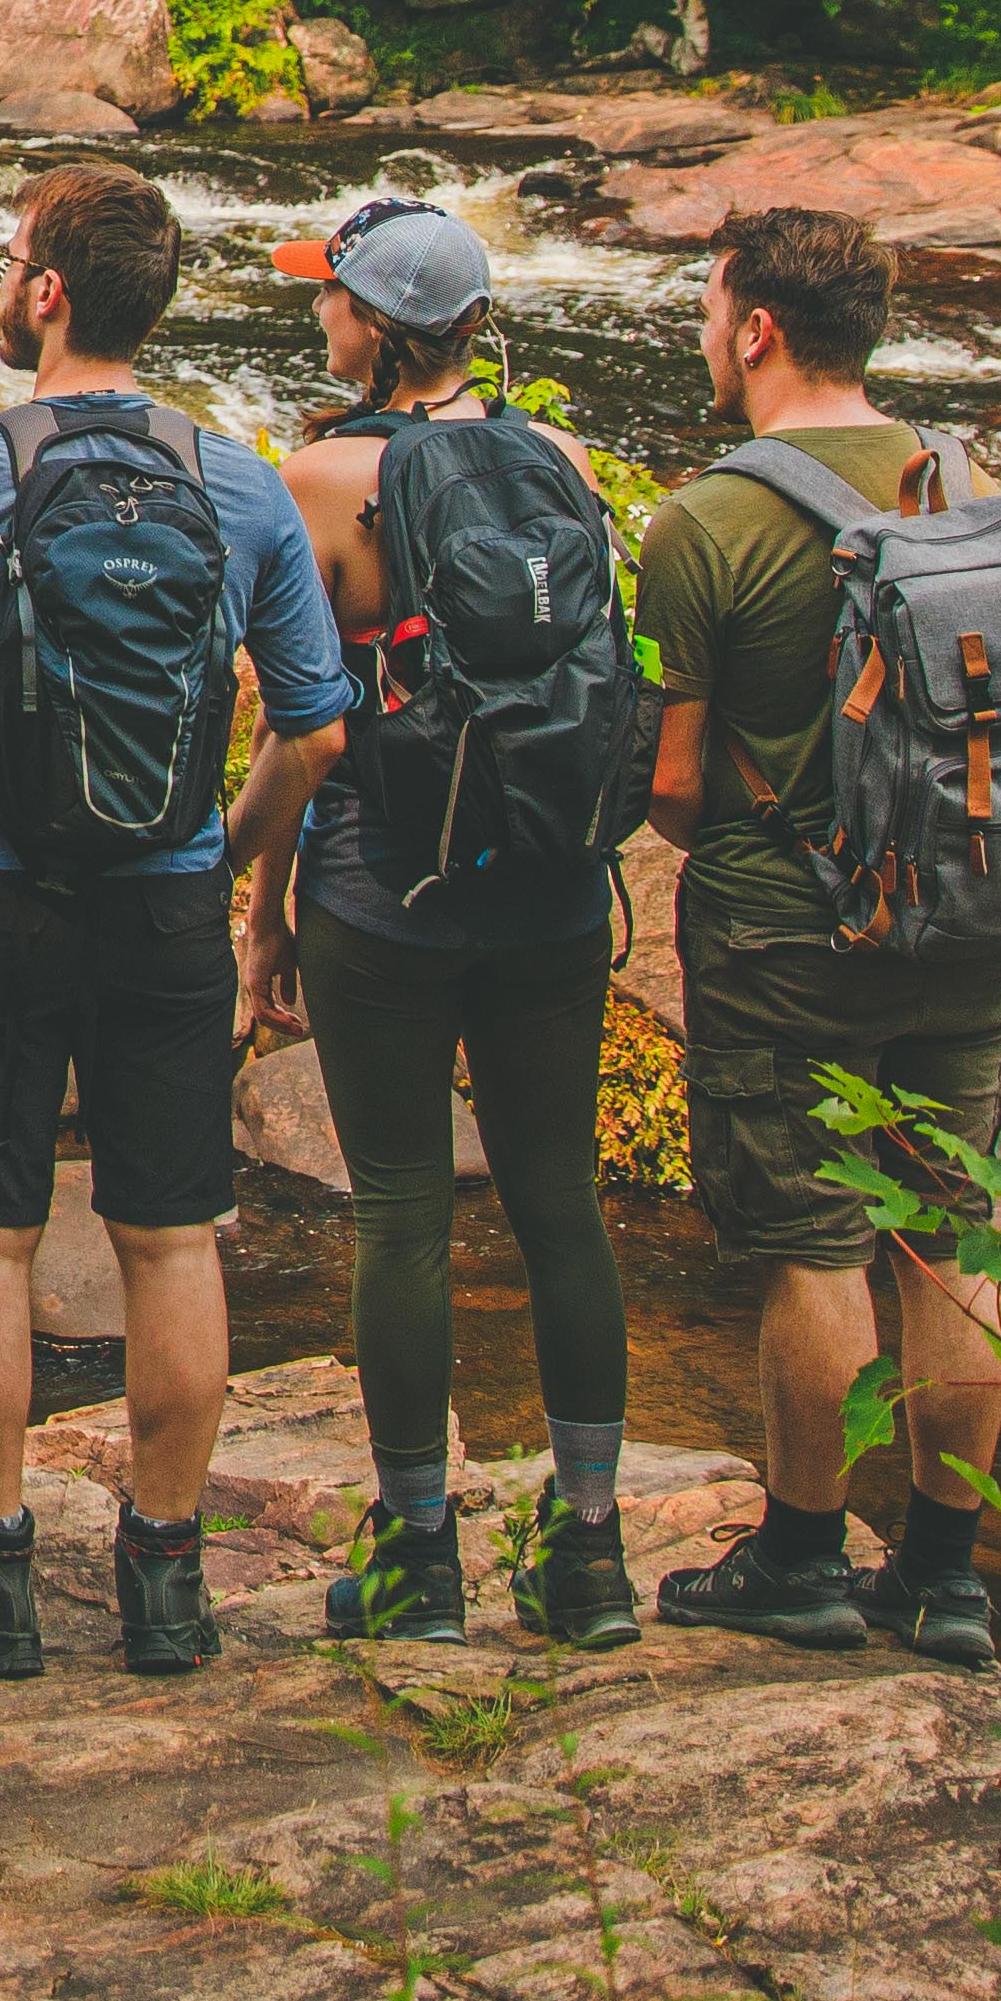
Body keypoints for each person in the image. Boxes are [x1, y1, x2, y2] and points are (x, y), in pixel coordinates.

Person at [0, 164, 346, 1682]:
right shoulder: (243, 482)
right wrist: (222, 856)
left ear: (49, 292)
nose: (3, 283)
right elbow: (318, 728)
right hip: (170, 909)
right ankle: (167, 1585)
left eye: (10, 262)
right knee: (172, 1238)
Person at [242, 195, 639, 1651]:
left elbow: (309, 730)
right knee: (559, 1204)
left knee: (404, 1213)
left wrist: (256, 902)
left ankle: (422, 1557)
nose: (318, 314)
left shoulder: (320, 480)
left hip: (384, 890)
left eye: (329, 295)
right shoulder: (564, 460)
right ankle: (591, 1550)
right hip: (552, 887)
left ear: (372, 324)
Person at [640, 204, 1001, 1670]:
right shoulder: (969, 482)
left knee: (811, 1241)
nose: (703, 337)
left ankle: (800, 1554)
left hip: (788, 935)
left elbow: (673, 785)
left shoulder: (710, 519)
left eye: (708, 309)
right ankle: (943, 1574)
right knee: (947, 1235)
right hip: (970, 920)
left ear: (757, 332)